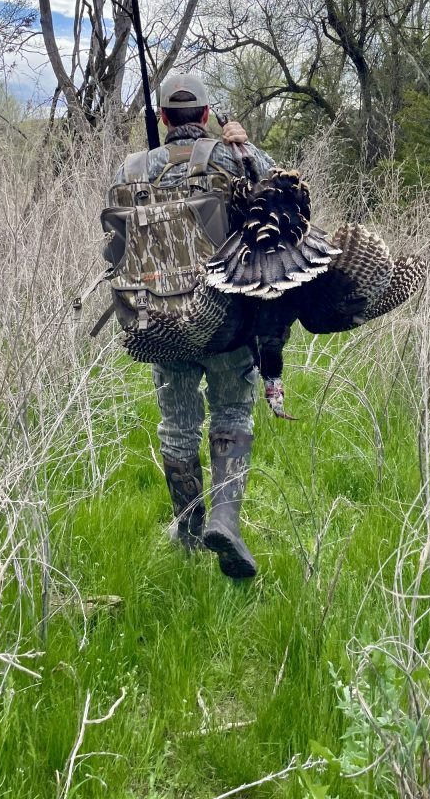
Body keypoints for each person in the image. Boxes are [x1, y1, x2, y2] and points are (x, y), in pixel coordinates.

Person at [111, 73, 275, 579]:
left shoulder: (132, 167)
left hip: (156, 320)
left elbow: (116, 245)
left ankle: (186, 528)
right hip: (223, 318)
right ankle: (225, 519)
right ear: (205, 117)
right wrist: (246, 147)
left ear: (162, 119)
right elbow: (278, 194)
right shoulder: (230, 157)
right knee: (231, 412)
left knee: (177, 424)